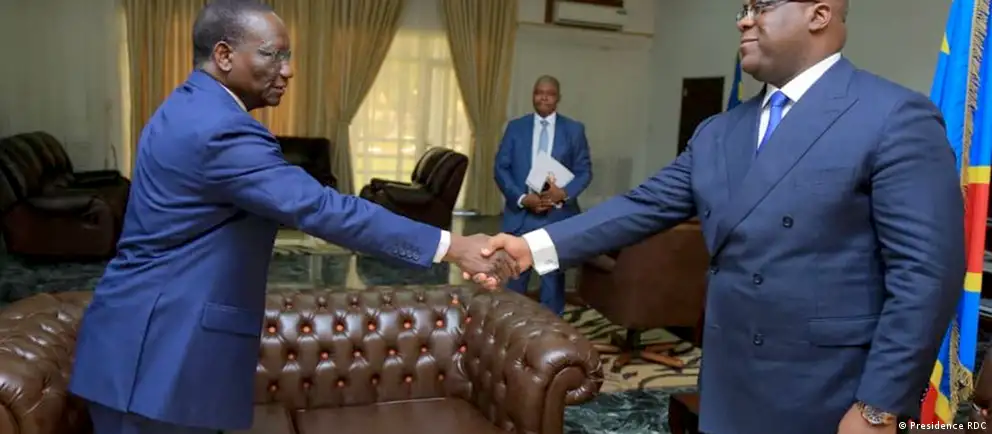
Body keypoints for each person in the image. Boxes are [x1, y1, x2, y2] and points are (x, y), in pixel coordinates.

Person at [472, 0, 966, 433]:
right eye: (743, 9)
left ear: (819, 14)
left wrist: (878, 407)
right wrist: (530, 247)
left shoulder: (892, 116)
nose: (744, 21)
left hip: (827, 393)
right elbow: (642, 205)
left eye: (761, 6)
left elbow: (926, 275)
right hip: (728, 383)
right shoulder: (718, 131)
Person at [67, 1, 515, 433]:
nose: (288, 70)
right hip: (156, 356)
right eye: (273, 54)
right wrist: (455, 246)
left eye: (288, 55)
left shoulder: (189, 105)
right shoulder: (219, 128)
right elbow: (322, 208)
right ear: (224, 55)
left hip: (146, 347)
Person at [494, 75, 592, 315]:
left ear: (558, 98)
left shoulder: (574, 130)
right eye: (539, 92)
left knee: (552, 281)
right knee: (515, 278)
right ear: (533, 95)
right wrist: (521, 198)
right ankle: (512, 325)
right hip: (522, 217)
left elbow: (584, 171)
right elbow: (501, 168)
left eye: (550, 94)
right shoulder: (516, 128)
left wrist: (563, 194)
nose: (544, 97)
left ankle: (551, 330)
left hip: (554, 220)